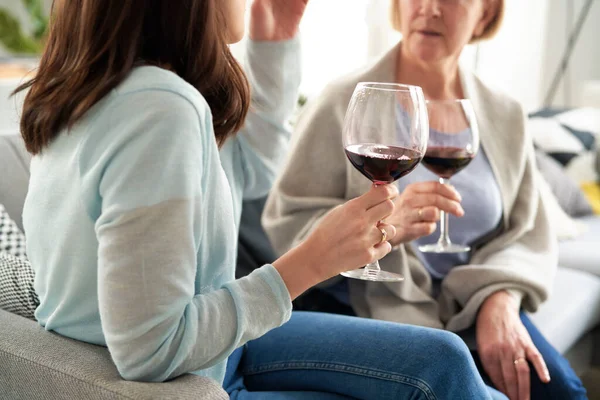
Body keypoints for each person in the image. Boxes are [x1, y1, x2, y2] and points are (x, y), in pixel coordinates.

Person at [9, 0, 498, 398]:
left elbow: (253, 172)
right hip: (197, 373)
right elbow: (150, 350)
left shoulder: (92, 89)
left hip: (220, 349)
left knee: (446, 358)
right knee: (444, 368)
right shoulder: (158, 108)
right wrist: (313, 260)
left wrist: (274, 43)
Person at [262, 0, 588, 399]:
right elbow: (288, 228)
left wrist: (499, 299)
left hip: (476, 298)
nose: (430, 9)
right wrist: (383, 229)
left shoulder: (505, 113)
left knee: (562, 392)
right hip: (372, 302)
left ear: (484, 14)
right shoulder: (344, 101)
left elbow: (526, 231)